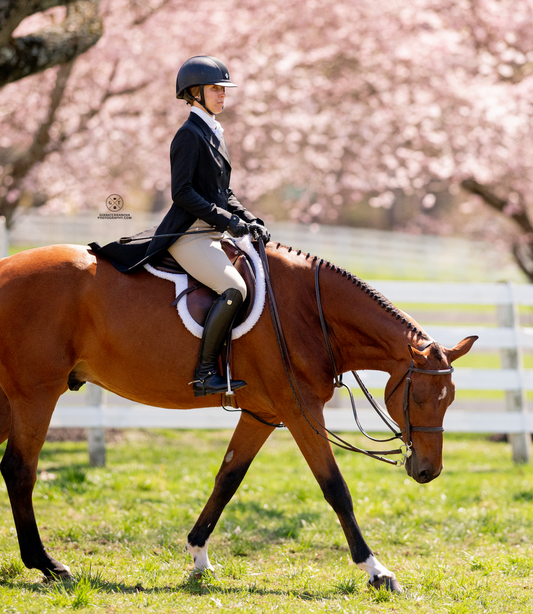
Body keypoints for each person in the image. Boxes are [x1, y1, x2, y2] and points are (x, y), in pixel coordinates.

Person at [90, 55, 269, 397]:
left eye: (224, 89)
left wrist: (247, 217)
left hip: (210, 231)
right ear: (194, 92)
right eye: (216, 89)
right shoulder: (189, 135)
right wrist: (227, 220)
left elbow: (222, 191)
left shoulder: (213, 132)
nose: (223, 95)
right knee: (235, 290)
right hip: (190, 235)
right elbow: (183, 192)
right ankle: (204, 373)